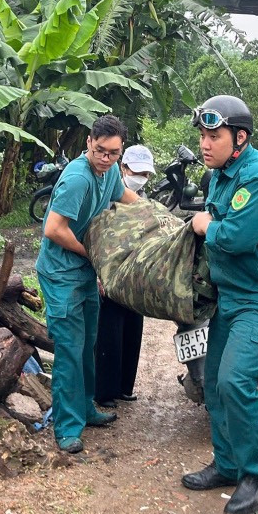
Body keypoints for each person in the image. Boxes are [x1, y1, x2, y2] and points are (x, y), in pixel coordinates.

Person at [181, 95, 258, 514]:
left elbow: (234, 237)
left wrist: (204, 223)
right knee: (213, 384)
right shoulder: (220, 174)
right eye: (203, 135)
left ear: (240, 137)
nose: (205, 144)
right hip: (230, 297)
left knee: (235, 381)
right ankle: (228, 464)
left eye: (214, 136)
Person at [36, 115, 140, 454]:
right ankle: (67, 427)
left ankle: (85, 407)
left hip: (84, 272)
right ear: (88, 144)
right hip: (61, 274)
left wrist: (157, 216)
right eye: (100, 151)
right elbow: (53, 229)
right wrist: (92, 255)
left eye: (113, 153)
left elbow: (125, 196)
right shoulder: (77, 179)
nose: (106, 159)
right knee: (68, 350)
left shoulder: (108, 172)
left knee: (87, 345)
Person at [94, 145, 153, 407]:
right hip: (110, 272)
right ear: (124, 168)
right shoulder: (109, 193)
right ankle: (105, 391)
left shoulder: (143, 196)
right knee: (110, 330)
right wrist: (99, 274)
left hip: (134, 274)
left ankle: (124, 386)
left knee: (133, 328)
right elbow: (97, 235)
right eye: (136, 171)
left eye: (146, 174)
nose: (141, 177)